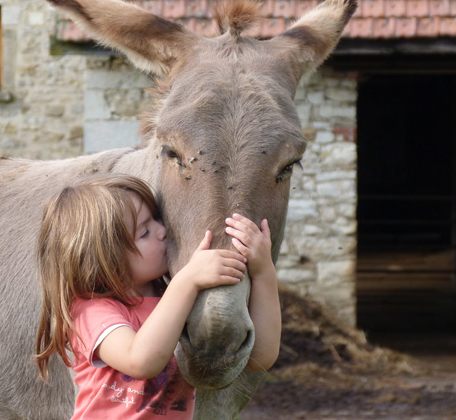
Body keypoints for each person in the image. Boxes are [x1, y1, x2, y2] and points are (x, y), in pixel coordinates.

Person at [35, 174, 280, 419]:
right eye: (145, 233)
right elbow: (140, 361)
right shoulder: (89, 311)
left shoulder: (173, 297)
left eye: (156, 219)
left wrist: (263, 272)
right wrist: (187, 280)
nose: (163, 231)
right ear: (106, 259)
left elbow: (261, 357)